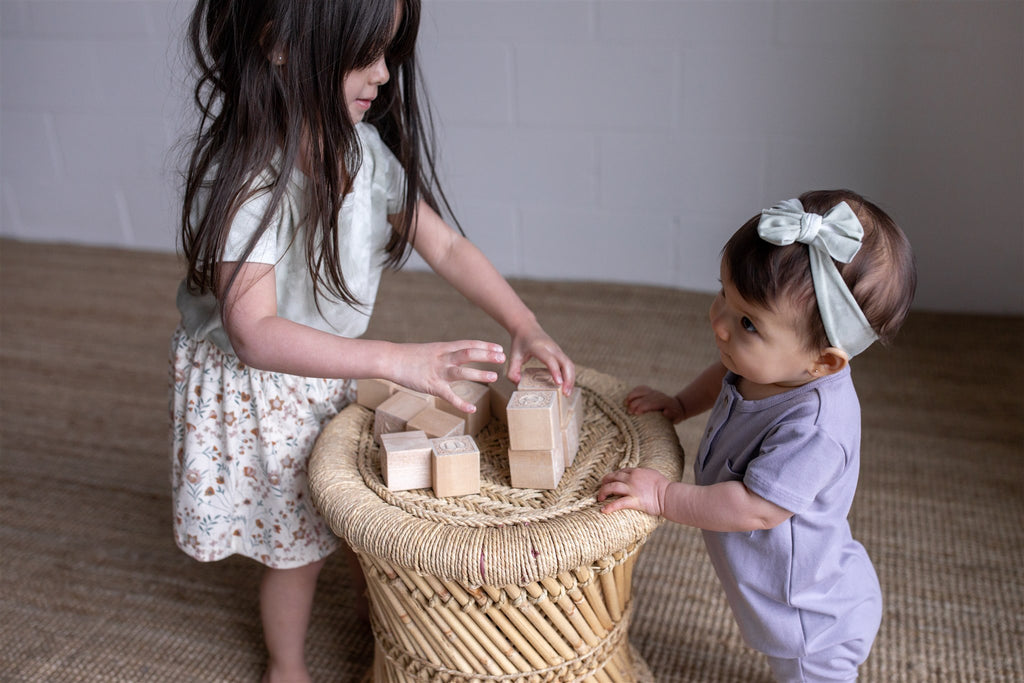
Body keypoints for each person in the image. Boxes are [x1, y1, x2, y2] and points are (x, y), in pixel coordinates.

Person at [169, 1, 575, 681]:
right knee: (297, 550)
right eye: (365, 53)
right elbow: (256, 335)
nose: (384, 74)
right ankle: (286, 664)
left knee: (358, 504)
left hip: (328, 366)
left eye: (388, 53)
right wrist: (396, 358)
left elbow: (445, 244)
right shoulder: (247, 179)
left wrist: (523, 321)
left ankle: (375, 601)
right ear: (278, 44)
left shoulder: (362, 150)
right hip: (261, 387)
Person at [598, 189, 916, 681]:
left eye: (747, 322)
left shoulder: (816, 428)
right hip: (779, 594)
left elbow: (755, 507)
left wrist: (663, 496)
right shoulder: (770, 366)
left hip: (807, 616)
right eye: (723, 294)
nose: (720, 324)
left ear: (824, 362)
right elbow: (727, 374)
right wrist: (681, 404)